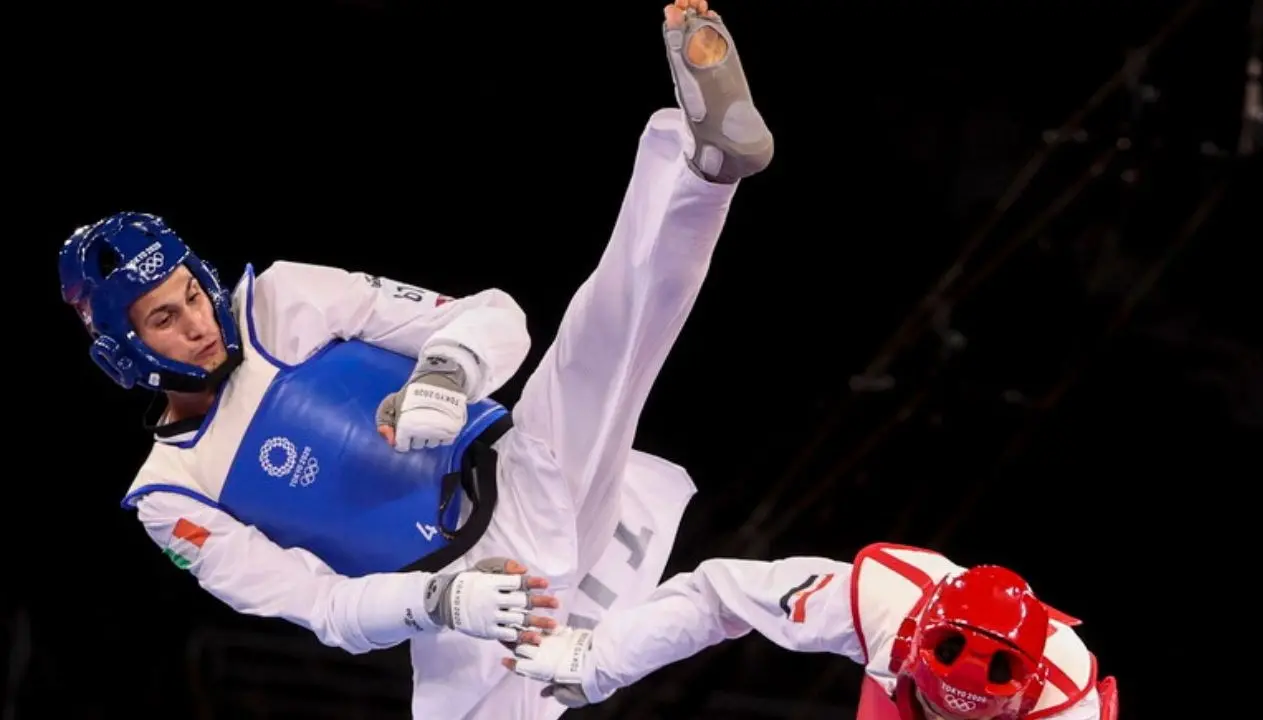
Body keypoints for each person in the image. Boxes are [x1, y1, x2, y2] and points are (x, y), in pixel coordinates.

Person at [55, 2, 773, 718]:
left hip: (524, 470)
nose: (197, 323)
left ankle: (704, 173)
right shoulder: (170, 494)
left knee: (606, 341)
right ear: (126, 350)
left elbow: (487, 315)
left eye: (190, 294)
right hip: (470, 612)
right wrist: (435, 600)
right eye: (164, 318)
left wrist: (447, 370)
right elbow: (322, 605)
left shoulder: (279, 300)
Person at [506, 542, 1121, 720]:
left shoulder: (1067, 706)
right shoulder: (876, 603)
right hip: (892, 694)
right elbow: (717, 595)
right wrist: (598, 661)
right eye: (940, 711)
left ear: (1021, 699)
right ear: (910, 653)